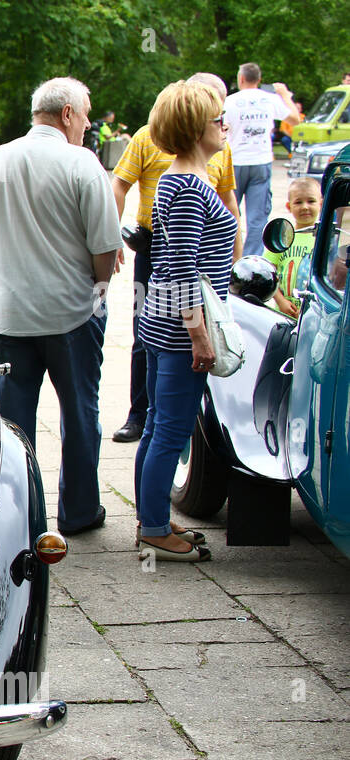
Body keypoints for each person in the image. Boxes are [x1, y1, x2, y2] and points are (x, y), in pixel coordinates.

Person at [0, 76, 121, 535]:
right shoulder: (82, 163)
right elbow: (106, 247)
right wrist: (99, 290)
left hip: (9, 316)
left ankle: (19, 516)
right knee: (80, 415)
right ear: (68, 115)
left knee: (12, 425)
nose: (90, 122)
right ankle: (78, 513)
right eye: (87, 112)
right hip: (71, 314)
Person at [110, 72, 244, 444]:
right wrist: (112, 236)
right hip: (157, 252)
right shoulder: (154, 148)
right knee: (145, 335)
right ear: (194, 121)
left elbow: (228, 198)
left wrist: (234, 253)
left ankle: (176, 415)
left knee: (155, 342)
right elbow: (120, 184)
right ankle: (138, 411)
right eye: (217, 117)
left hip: (196, 260)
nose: (224, 125)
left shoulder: (218, 153)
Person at [135, 81, 237, 562]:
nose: (225, 127)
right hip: (179, 332)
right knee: (171, 431)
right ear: (197, 128)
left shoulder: (177, 179)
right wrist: (198, 334)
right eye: (218, 120)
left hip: (160, 323)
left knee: (158, 427)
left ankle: (151, 517)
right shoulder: (191, 186)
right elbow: (180, 265)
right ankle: (154, 528)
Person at [223, 63, 300, 256]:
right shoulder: (270, 99)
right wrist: (285, 95)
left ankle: (228, 256)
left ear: (241, 79)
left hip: (235, 162)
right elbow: (295, 119)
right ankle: (251, 259)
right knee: (257, 217)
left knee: (229, 213)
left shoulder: (230, 101)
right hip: (260, 161)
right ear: (259, 79)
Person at [264, 177, 321, 318]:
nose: (305, 207)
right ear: (289, 207)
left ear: (321, 204)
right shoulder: (281, 238)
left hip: (315, 316)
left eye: (311, 201)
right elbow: (268, 273)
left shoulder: (326, 240)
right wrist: (281, 301)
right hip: (284, 314)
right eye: (298, 202)